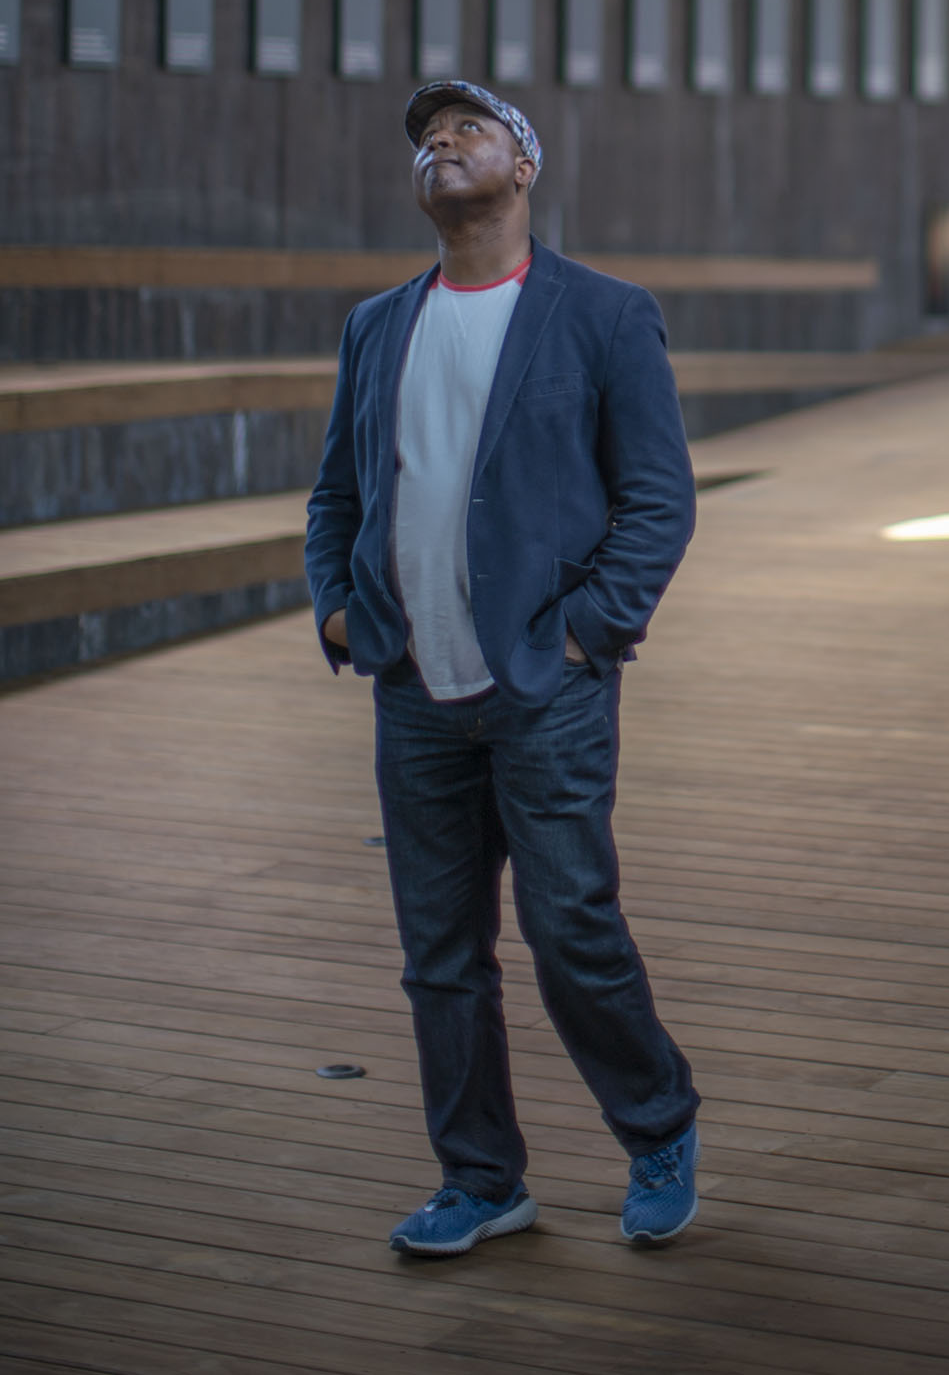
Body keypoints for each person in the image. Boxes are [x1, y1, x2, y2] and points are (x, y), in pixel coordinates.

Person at [305, 80, 700, 1258]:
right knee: (439, 955)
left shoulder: (604, 314)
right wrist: (338, 613)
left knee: (572, 926)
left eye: (468, 128)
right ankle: (481, 1179)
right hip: (412, 687)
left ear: (524, 166)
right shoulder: (379, 323)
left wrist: (587, 632)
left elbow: (657, 499)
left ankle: (658, 1127)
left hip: (545, 689)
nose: (440, 145)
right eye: (427, 138)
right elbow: (336, 494)